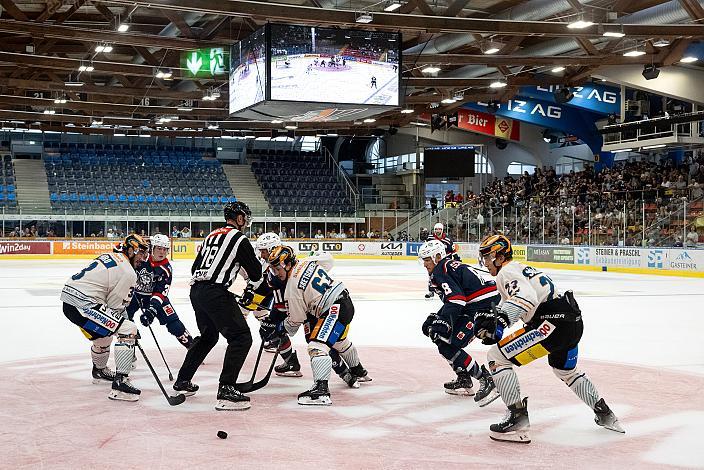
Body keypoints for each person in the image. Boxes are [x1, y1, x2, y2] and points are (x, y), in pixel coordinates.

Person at [476, 234, 624, 443]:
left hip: (551, 324)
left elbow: (525, 298)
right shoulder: (520, 269)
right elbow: (514, 302)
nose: (485, 262)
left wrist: (500, 321)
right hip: (572, 322)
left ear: (499, 256)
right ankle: (605, 413)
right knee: (565, 370)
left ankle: (517, 418)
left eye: (487, 256)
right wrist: (493, 319)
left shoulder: (507, 271)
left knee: (496, 357)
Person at [174, 202, 262, 411]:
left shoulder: (211, 235)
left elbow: (196, 267)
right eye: (245, 217)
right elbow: (256, 272)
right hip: (215, 292)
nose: (246, 221)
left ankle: (183, 381)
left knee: (208, 337)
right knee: (241, 338)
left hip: (196, 291)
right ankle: (226, 388)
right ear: (239, 218)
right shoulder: (239, 238)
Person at [267, 245, 370, 405]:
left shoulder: (292, 287)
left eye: (277, 269)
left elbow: (295, 321)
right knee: (338, 342)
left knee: (317, 346)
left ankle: (321, 391)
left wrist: (281, 328)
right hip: (344, 301)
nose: (276, 274)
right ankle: (358, 371)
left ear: (287, 264)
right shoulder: (307, 262)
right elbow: (328, 261)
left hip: (333, 309)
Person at [60, 234, 149, 401]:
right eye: (140, 254)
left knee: (105, 334)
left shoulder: (111, 256)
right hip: (84, 305)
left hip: (71, 302)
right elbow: (115, 308)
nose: (143, 259)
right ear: (130, 251)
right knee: (128, 329)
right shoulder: (128, 272)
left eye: (145, 255)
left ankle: (99, 370)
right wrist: (128, 332)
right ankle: (120, 385)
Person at [419, 240, 500, 406]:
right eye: (424, 260)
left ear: (438, 256)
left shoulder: (440, 271)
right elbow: (456, 299)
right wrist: (437, 317)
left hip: (481, 306)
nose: (425, 264)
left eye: (427, 259)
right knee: (440, 337)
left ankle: (486, 378)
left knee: (450, 343)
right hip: (477, 303)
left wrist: (442, 322)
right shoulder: (445, 266)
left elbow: (457, 300)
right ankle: (464, 377)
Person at [126, 234, 194, 349]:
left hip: (155, 299)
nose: (162, 252)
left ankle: (193, 348)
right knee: (125, 319)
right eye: (159, 248)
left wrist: (151, 311)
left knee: (175, 325)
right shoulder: (142, 258)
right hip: (135, 295)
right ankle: (129, 349)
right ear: (152, 248)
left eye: (165, 249)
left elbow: (160, 293)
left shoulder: (165, 269)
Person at [424, 222, 459, 298]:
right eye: (436, 229)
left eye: (439, 229)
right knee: (431, 276)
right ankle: (431, 291)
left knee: (446, 276)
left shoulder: (447, 240)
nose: (437, 231)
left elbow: (453, 251)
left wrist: (457, 259)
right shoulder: (430, 238)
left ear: (442, 230)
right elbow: (425, 248)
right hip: (434, 261)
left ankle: (447, 290)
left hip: (445, 261)